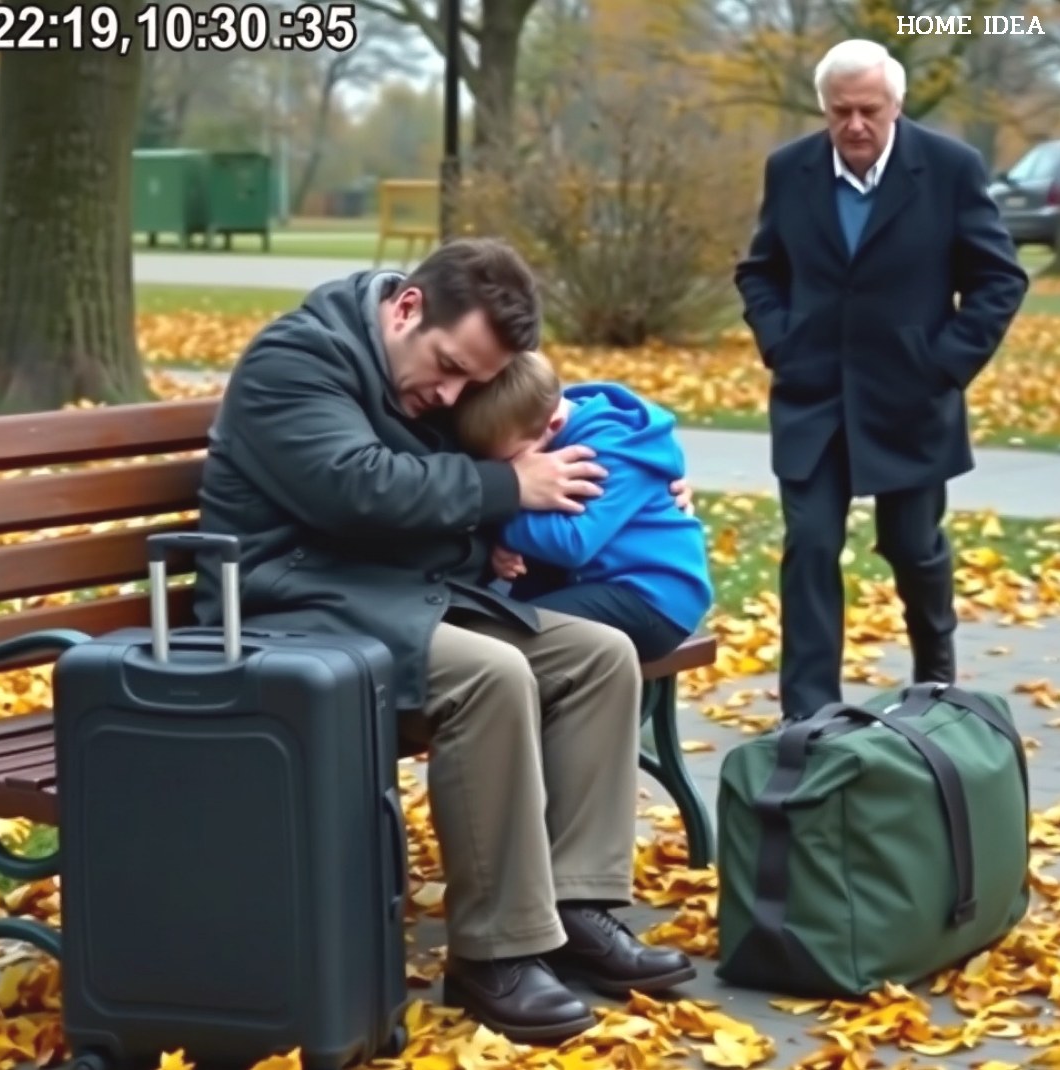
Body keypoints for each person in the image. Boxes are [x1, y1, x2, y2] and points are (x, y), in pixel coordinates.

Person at [192, 238, 698, 1046]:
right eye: (452, 368)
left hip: (394, 599)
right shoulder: (297, 361)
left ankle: (575, 908)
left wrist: (643, 467)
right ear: (406, 309)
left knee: (597, 656)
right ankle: (496, 953)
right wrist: (510, 486)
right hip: (288, 605)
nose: (454, 394)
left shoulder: (424, 369)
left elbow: (535, 411)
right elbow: (355, 488)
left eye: (472, 381)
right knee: (490, 675)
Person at [734, 39, 1029, 723]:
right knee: (810, 545)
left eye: (869, 109)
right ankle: (808, 717)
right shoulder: (791, 169)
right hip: (813, 397)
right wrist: (781, 341)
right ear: (824, 109)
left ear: (896, 104)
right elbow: (760, 271)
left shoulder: (950, 168)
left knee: (912, 547)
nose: (855, 125)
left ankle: (936, 681)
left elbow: (999, 279)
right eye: (841, 111)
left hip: (911, 399)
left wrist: (945, 364)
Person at [452, 349, 714, 662]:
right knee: (494, 627)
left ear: (554, 424)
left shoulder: (608, 449)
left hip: (652, 598)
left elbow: (573, 541)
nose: (510, 472)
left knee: (502, 636)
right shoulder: (539, 422)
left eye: (510, 460)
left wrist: (500, 518)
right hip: (595, 583)